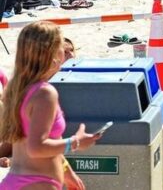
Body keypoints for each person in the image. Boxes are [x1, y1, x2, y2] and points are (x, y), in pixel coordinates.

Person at [0, 22, 102, 189]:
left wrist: (67, 172)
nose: (65, 52)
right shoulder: (44, 93)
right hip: (36, 184)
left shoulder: (19, 88)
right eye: (62, 47)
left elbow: (41, 141)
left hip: (19, 182)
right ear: (52, 52)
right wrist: (75, 142)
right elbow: (36, 147)